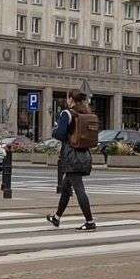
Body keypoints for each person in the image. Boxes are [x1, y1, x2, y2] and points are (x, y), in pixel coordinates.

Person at [46, 89, 97, 231]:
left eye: (67, 98)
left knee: (79, 189)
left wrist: (54, 130)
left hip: (71, 156)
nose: (67, 100)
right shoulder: (86, 113)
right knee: (65, 188)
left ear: (71, 99)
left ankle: (90, 221)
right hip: (84, 154)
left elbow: (61, 134)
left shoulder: (67, 113)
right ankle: (56, 217)